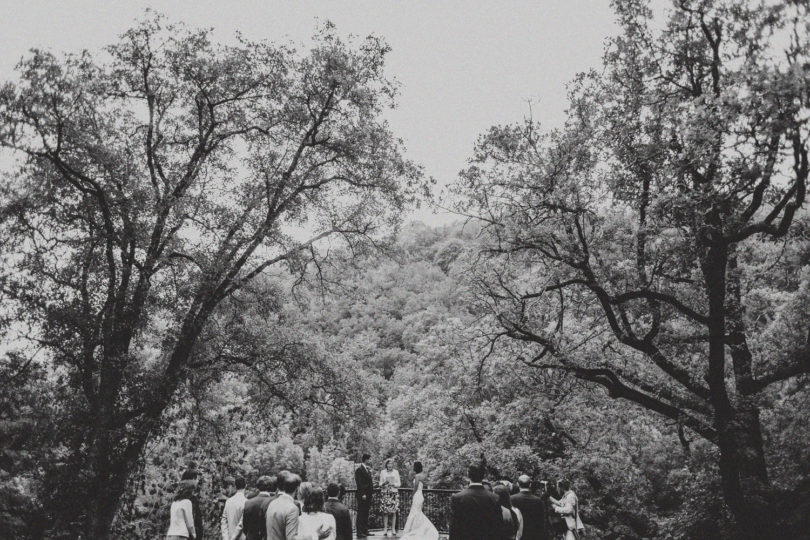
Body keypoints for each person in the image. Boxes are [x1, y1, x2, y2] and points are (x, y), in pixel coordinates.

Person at [265, 471, 332, 540]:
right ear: (297, 489)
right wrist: (315, 536)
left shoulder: (273, 503)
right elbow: (291, 538)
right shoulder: (292, 508)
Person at [448, 463, 503, 540]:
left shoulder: (457, 498)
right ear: (483, 476)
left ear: (468, 475)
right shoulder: (494, 498)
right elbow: (498, 526)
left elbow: (454, 528)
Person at [400, 461, 439, 540]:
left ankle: (415, 529)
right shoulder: (423, 476)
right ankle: (419, 528)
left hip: (417, 495)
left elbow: (415, 487)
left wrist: (412, 495)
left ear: (416, 467)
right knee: (418, 512)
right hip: (420, 495)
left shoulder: (417, 476)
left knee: (415, 512)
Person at [232, 475, 277, 540]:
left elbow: (245, 526)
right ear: (270, 486)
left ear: (258, 486)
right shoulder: (273, 502)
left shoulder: (248, 503)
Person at [511, 475, 547, 540]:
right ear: (530, 484)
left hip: (518, 535)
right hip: (534, 535)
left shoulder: (512, 499)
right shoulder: (538, 500)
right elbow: (542, 521)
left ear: (518, 484)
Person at [379, 458, 401, 536]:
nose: (390, 466)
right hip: (385, 493)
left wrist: (394, 484)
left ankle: (393, 529)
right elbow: (380, 484)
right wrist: (384, 483)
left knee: (394, 511)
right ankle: (385, 529)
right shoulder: (382, 472)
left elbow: (399, 484)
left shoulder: (396, 472)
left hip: (393, 493)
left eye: (391, 464)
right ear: (386, 465)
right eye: (388, 464)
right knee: (385, 512)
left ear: (393, 465)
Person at [181, 467, 204, 540]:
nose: (197, 481)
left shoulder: (177, 498)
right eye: (196, 479)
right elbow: (193, 519)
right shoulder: (191, 499)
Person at [354, 454, 373, 538]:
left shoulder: (367, 469)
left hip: (368, 495)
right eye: (369, 459)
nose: (370, 461)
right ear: (365, 460)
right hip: (363, 495)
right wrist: (363, 494)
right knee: (361, 513)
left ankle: (365, 530)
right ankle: (359, 531)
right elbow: (360, 483)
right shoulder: (359, 470)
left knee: (366, 513)